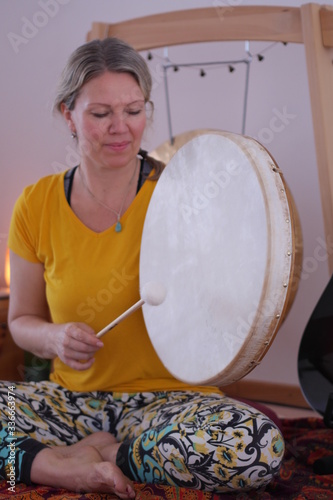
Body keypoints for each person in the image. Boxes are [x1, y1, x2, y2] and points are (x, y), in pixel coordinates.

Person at [0, 37, 284, 498]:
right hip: (72, 403)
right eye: (100, 113)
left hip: (171, 403)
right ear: (67, 114)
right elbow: (21, 322)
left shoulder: (186, 194)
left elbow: (227, 307)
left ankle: (107, 456)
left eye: (133, 110)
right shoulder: (36, 203)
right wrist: (53, 337)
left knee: (254, 442)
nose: (120, 128)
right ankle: (59, 465)